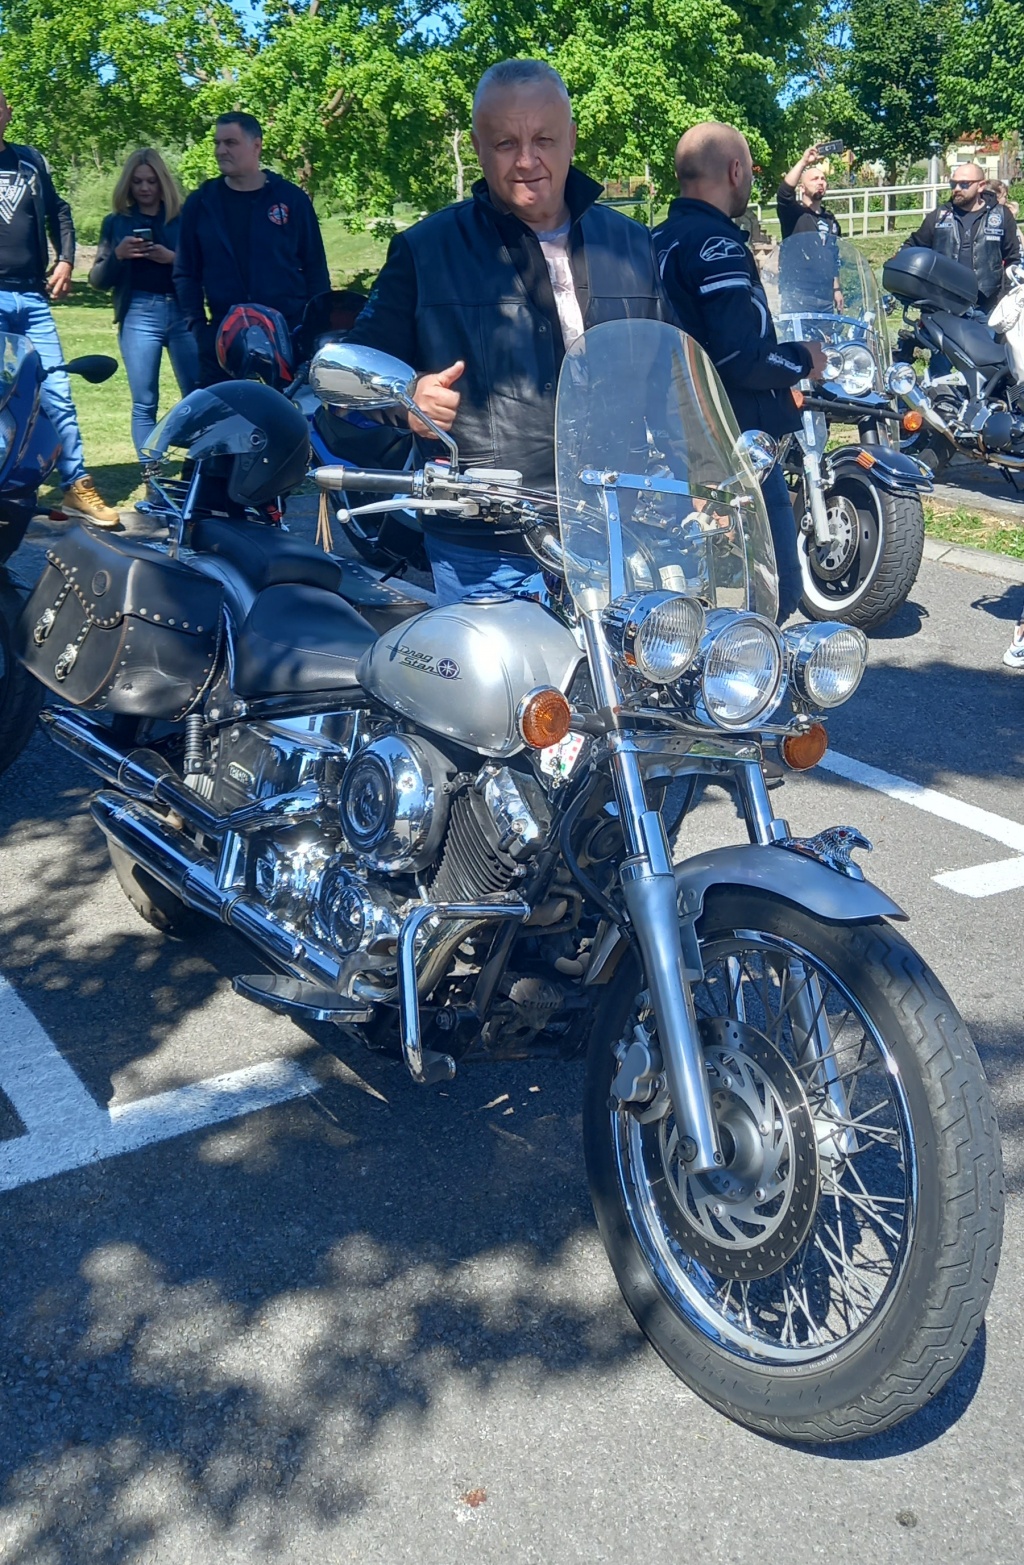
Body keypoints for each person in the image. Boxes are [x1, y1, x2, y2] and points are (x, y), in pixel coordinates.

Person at [345, 59, 665, 603]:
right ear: (477, 147)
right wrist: (406, 397)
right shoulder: (426, 251)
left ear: (571, 138)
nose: (526, 160)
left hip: (616, 528)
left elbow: (671, 374)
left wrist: (703, 473)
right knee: (499, 665)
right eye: (505, 143)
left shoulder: (632, 244)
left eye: (544, 139)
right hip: (485, 543)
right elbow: (354, 368)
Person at [653, 122, 827, 625]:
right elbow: (739, 357)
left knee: (695, 591)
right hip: (732, 439)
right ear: (735, 171)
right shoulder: (718, 243)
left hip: (672, 434)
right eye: (750, 170)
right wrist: (802, 360)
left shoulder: (655, 239)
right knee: (777, 592)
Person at [0, 90, 119, 525]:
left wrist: (66, 258)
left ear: (8, 113)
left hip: (32, 298)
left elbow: (60, 212)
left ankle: (76, 484)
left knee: (57, 392)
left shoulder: (30, 161)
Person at [173, 112, 330, 387]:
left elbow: (315, 268)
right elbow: (186, 272)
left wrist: (312, 329)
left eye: (230, 142)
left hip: (288, 338)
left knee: (288, 413)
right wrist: (199, 329)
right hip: (223, 340)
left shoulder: (290, 199)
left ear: (256, 146)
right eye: (217, 143)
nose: (221, 150)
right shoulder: (202, 203)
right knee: (222, 413)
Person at [89, 149, 200, 459]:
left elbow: (207, 269)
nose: (145, 188)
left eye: (151, 181)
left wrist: (172, 258)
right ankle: (151, 472)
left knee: (197, 395)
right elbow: (97, 279)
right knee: (144, 401)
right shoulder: (116, 223)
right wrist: (118, 255)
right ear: (128, 185)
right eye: (137, 182)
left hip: (182, 313)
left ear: (162, 182)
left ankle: (198, 468)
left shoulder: (183, 220)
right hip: (139, 312)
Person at [901, 164, 1020, 314]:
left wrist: (1005, 298)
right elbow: (912, 249)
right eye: (953, 184)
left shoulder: (1001, 215)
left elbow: (1013, 259)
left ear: (981, 186)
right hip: (944, 305)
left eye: (964, 184)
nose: (956, 188)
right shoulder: (939, 216)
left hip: (988, 307)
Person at [776, 145, 844, 314]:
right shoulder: (793, 213)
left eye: (823, 179)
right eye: (814, 179)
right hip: (797, 294)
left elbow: (833, 256)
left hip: (825, 295)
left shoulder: (830, 220)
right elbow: (784, 193)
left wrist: (836, 289)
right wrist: (804, 162)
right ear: (802, 188)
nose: (820, 182)